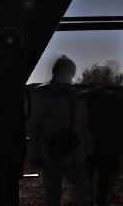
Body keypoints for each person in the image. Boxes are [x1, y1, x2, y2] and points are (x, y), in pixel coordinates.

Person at [26, 55, 93, 206]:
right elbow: (32, 127)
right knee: (66, 195)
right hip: (61, 154)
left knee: (57, 196)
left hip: (60, 155)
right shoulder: (73, 96)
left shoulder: (42, 94)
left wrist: (34, 155)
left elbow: (32, 127)